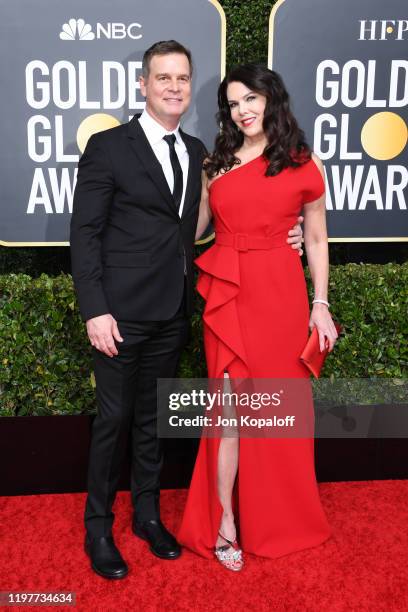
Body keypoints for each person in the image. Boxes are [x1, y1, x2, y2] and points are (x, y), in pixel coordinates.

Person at [70, 43, 304, 579]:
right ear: (143, 85)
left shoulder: (200, 150)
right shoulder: (108, 147)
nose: (174, 87)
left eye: (182, 78)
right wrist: (95, 309)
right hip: (119, 314)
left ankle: (148, 517)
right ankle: (99, 527)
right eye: (163, 78)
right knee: (114, 419)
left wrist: (285, 232)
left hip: (174, 309)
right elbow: (83, 233)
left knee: (153, 420)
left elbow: (211, 223)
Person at [178, 63, 339, 571]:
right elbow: (194, 228)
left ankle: (282, 519)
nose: (242, 110)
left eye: (251, 98)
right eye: (233, 103)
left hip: (281, 294)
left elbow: (314, 238)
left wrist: (321, 303)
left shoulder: (302, 162)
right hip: (229, 295)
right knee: (228, 413)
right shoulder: (216, 162)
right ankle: (224, 520)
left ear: (272, 99)